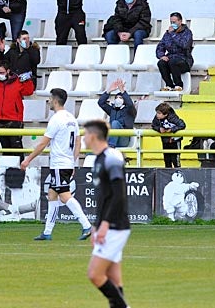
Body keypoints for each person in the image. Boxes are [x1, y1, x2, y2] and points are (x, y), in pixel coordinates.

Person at [22, 88, 93, 241]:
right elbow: (78, 142)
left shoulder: (56, 120)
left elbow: (42, 144)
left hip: (60, 164)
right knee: (52, 194)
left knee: (64, 195)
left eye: (49, 99)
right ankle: (47, 232)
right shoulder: (71, 118)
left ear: (55, 100)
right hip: (66, 163)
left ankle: (87, 225)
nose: (48, 101)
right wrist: (73, 162)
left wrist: (28, 159)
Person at [82, 119, 132, 308]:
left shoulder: (112, 157)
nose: (84, 138)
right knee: (114, 278)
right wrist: (96, 224)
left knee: (94, 274)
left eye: (85, 134)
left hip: (116, 226)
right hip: (107, 225)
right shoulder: (98, 159)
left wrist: (105, 224)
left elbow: (118, 195)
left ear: (93, 136)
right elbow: (104, 197)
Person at [0, 64, 35, 154]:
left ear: (8, 71)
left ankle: (20, 167)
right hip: (0, 121)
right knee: (5, 150)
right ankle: (7, 167)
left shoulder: (18, 81)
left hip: (14, 121)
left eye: (2, 72)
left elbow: (29, 91)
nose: (0, 75)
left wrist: (28, 80)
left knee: (17, 149)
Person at [156, 13, 193, 92]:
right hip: (171, 57)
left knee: (173, 62)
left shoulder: (187, 32)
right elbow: (160, 46)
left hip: (184, 59)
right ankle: (169, 84)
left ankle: (179, 85)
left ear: (180, 21)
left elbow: (184, 45)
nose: (173, 24)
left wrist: (173, 34)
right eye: (171, 22)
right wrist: (161, 55)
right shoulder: (167, 34)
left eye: (174, 22)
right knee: (161, 63)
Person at [98, 79, 136, 148]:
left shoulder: (130, 110)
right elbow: (101, 103)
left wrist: (122, 90)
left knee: (115, 123)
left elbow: (130, 104)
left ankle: (111, 146)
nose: (118, 99)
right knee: (91, 151)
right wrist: (108, 90)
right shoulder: (112, 110)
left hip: (123, 138)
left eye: (120, 97)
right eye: (116, 97)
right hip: (111, 136)